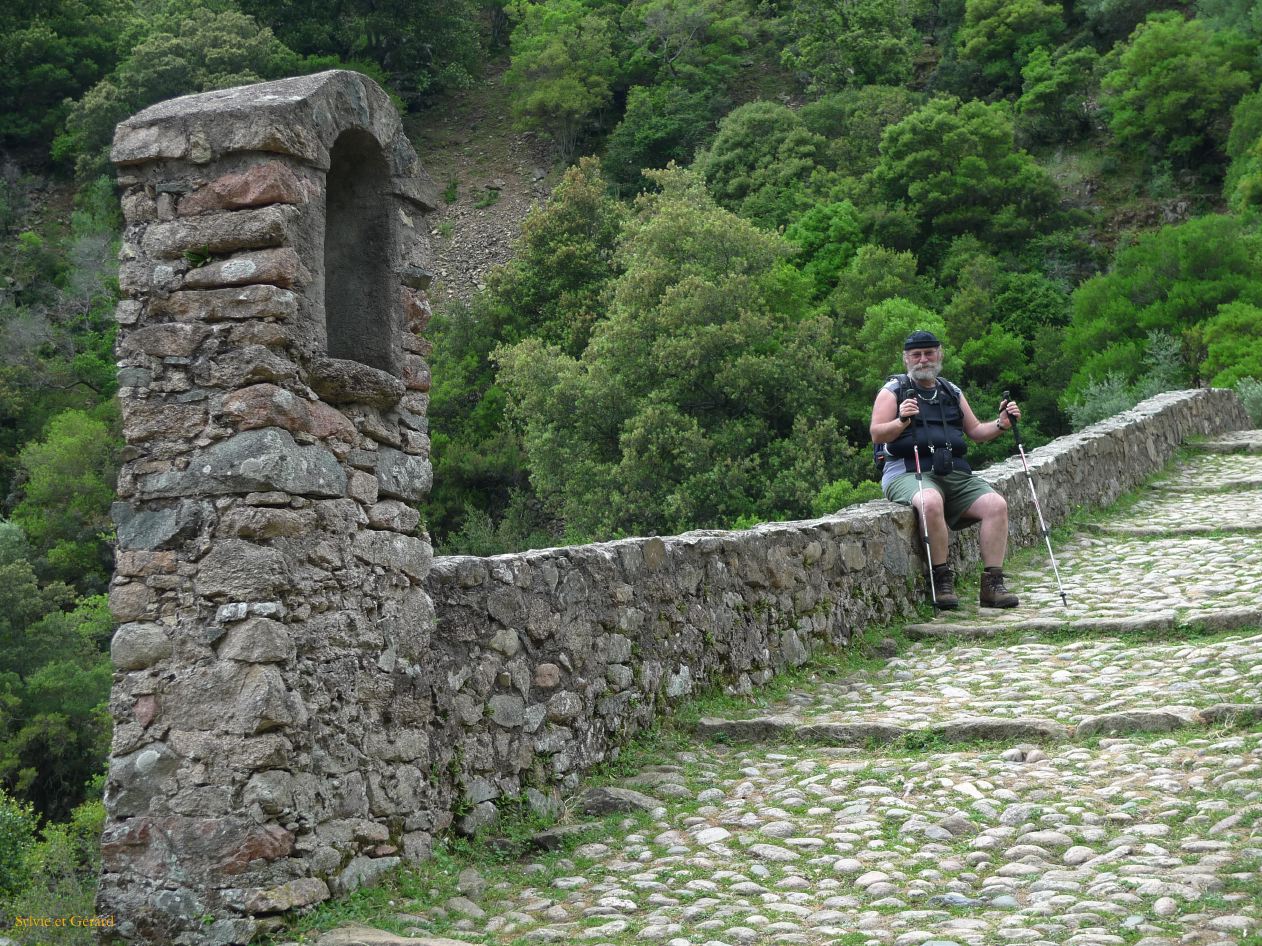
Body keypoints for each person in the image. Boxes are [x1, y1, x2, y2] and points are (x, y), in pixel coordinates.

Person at [869, 330, 1021, 609]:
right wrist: (902, 420)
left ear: (939, 354)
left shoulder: (951, 392)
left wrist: (1001, 424)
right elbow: (877, 434)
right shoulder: (893, 391)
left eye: (929, 353)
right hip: (906, 472)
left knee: (996, 505)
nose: (923, 360)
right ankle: (941, 579)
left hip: (953, 473)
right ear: (906, 359)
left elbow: (975, 431)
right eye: (917, 355)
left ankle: (992, 585)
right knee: (930, 501)